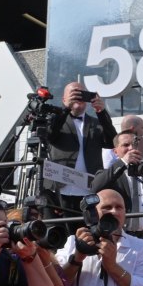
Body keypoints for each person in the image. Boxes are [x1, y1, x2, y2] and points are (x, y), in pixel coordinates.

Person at [45, 81, 118, 232]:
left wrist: (101, 112)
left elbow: (112, 142)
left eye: (81, 93)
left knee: (92, 233)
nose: (78, 96)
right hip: (63, 188)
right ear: (64, 100)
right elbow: (50, 136)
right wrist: (66, 109)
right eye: (73, 93)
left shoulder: (95, 123)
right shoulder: (56, 119)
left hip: (90, 189)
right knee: (67, 235)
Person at [92, 130, 143, 244]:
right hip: (121, 236)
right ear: (115, 151)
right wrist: (123, 162)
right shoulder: (110, 174)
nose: (131, 148)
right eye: (125, 145)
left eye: (134, 145)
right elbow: (95, 187)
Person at [6, 209, 73, 286]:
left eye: (39, 230)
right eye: (30, 232)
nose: (35, 238)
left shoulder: (49, 263)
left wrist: (46, 263)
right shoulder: (2, 262)